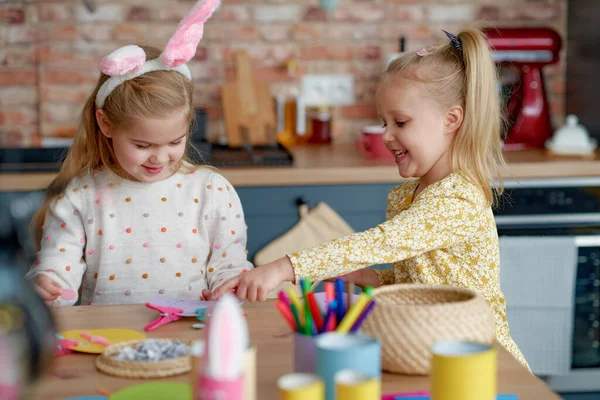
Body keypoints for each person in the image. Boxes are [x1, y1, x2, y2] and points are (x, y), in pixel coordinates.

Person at [213, 28, 529, 368]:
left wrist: (283, 268)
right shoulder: (409, 195)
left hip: (482, 358)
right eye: (384, 122)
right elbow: (425, 280)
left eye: (401, 122)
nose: (387, 135)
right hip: (430, 350)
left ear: (451, 119)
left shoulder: (457, 200)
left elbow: (380, 243)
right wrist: (372, 278)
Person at [26, 0, 252, 307]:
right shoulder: (79, 195)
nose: (159, 158)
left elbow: (229, 267)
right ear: (105, 123)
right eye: (142, 146)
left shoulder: (212, 190)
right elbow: (57, 269)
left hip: (190, 338)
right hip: (106, 341)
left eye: (175, 141)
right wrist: (48, 286)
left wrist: (232, 287)